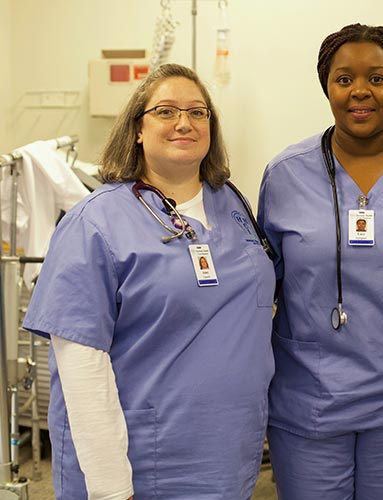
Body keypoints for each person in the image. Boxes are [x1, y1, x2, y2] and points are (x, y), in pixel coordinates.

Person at [22, 63, 275, 500]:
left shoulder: (232, 203)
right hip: (143, 462)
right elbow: (82, 368)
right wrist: (110, 488)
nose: (184, 122)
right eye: (166, 111)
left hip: (227, 454)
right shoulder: (95, 222)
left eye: (198, 112)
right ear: (137, 129)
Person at [257, 23, 383, 500]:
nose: (360, 92)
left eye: (377, 78)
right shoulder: (286, 175)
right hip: (310, 398)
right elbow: (260, 283)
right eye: (344, 78)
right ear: (326, 87)